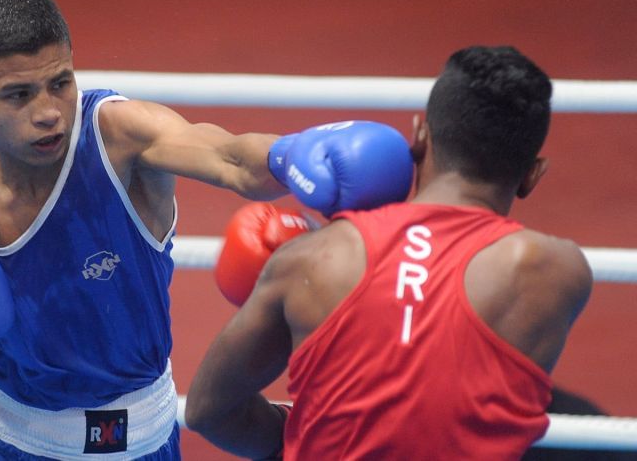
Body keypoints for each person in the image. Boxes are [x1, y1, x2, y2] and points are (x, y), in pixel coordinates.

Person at [0, 0, 413, 460]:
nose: (49, 112)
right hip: (0, 439)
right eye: (19, 95)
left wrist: (294, 154)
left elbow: (228, 157)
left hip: (135, 441)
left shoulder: (118, 136)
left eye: (60, 83)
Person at [185, 46, 593, 460]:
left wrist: (303, 437)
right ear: (532, 175)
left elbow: (209, 410)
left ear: (418, 137)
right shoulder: (557, 272)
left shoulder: (315, 259)